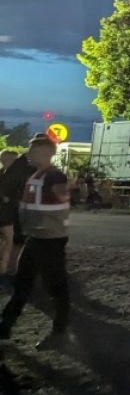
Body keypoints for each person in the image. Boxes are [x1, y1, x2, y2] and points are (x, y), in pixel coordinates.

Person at [0, 137, 71, 351]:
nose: (28, 153)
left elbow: (62, 197)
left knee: (55, 288)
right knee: (24, 285)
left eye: (33, 150)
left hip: (49, 240)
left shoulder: (53, 175)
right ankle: (4, 329)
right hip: (37, 238)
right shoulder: (36, 175)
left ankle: (59, 333)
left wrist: (66, 190)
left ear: (46, 153)